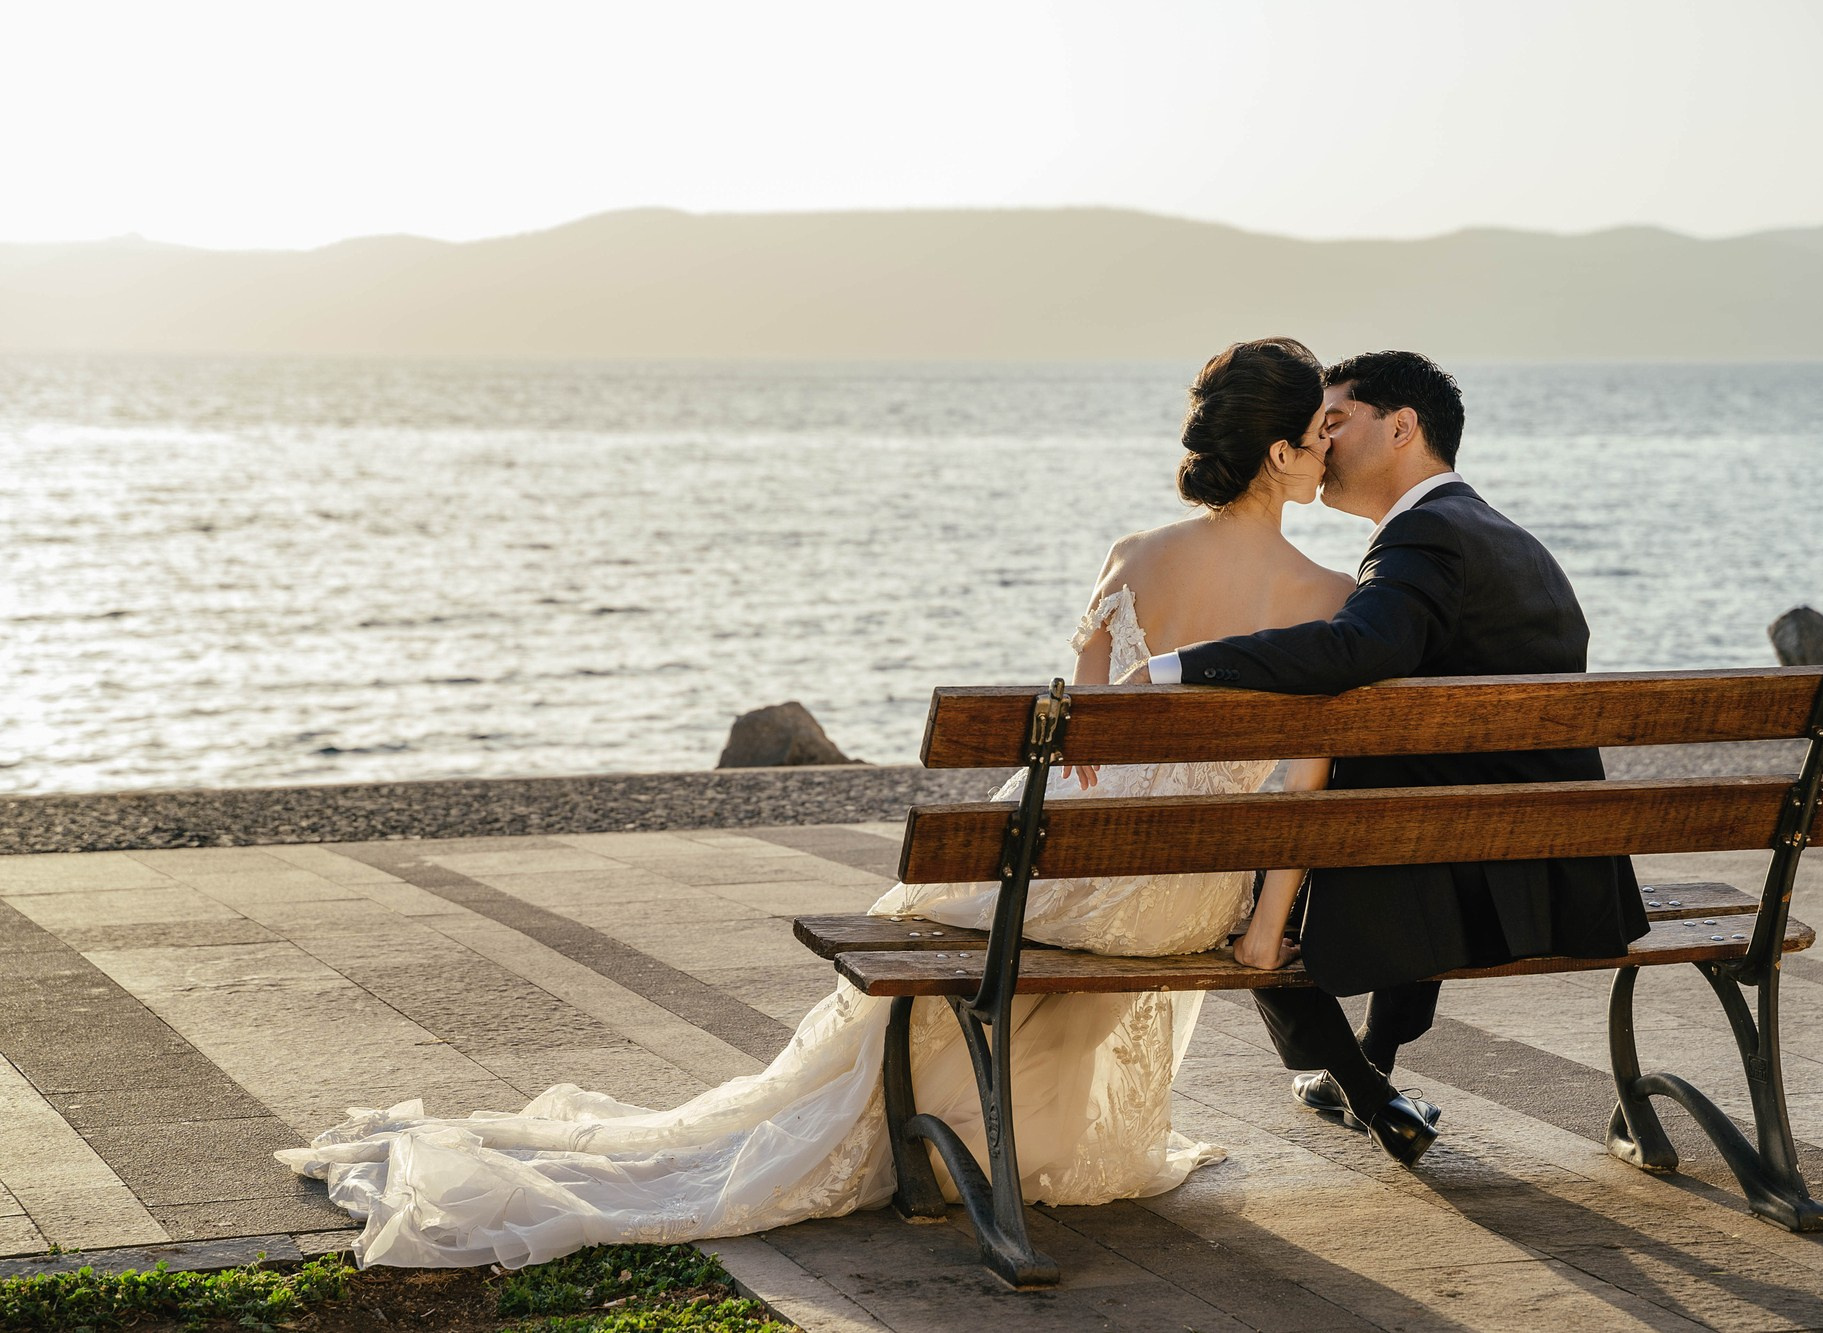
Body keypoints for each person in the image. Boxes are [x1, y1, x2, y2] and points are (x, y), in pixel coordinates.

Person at [276, 336, 1356, 1269]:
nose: (1328, 451)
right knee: (984, 920)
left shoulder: (1137, 557)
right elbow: (1299, 786)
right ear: (1274, 450)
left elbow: (1070, 748)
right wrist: (1260, 929)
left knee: (928, 917)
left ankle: (910, 1128)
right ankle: (997, 1136)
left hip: (1076, 875)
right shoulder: (1329, 599)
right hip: (1185, 899)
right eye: (1316, 434)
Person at [1124, 350, 1648, 1168]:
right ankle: (1373, 1070)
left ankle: (1362, 1083)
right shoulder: (1507, 539)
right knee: (1380, 818)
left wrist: (1182, 664)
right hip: (1559, 878)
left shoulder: (1423, 538)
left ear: (1402, 427)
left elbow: (1361, 644)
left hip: (1463, 877)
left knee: (1252, 902)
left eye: (1336, 420)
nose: (1322, 442)